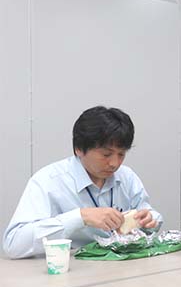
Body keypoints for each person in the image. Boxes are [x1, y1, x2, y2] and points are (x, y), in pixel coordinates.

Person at [3, 106, 163, 259]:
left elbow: (151, 216)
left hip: (122, 267)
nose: (114, 163)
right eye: (106, 154)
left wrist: (148, 220)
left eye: (121, 154)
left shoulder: (126, 177)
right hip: (70, 270)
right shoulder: (49, 181)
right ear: (79, 149)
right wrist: (80, 217)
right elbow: (13, 243)